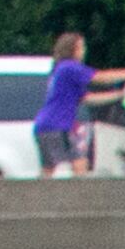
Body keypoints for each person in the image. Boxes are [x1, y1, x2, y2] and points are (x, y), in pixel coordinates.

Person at [33, 33, 92, 179]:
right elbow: (98, 77)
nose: (84, 50)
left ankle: (37, 198)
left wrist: (120, 94)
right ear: (72, 49)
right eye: (81, 47)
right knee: (78, 162)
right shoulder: (69, 67)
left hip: (48, 124)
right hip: (58, 124)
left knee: (49, 168)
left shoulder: (59, 71)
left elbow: (86, 98)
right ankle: (81, 198)